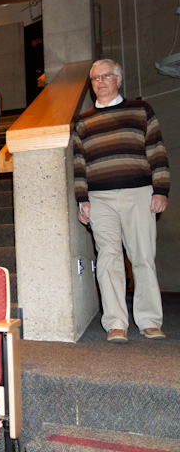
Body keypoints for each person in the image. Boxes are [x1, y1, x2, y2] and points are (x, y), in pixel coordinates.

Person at [72, 59, 170, 343]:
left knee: (143, 258)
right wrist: (82, 199)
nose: (100, 82)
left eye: (105, 76)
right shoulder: (83, 121)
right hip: (99, 198)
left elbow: (157, 151)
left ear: (118, 79)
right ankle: (115, 323)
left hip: (138, 194)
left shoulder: (141, 110)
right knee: (108, 259)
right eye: (95, 78)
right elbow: (79, 164)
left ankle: (150, 321)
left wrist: (160, 190)